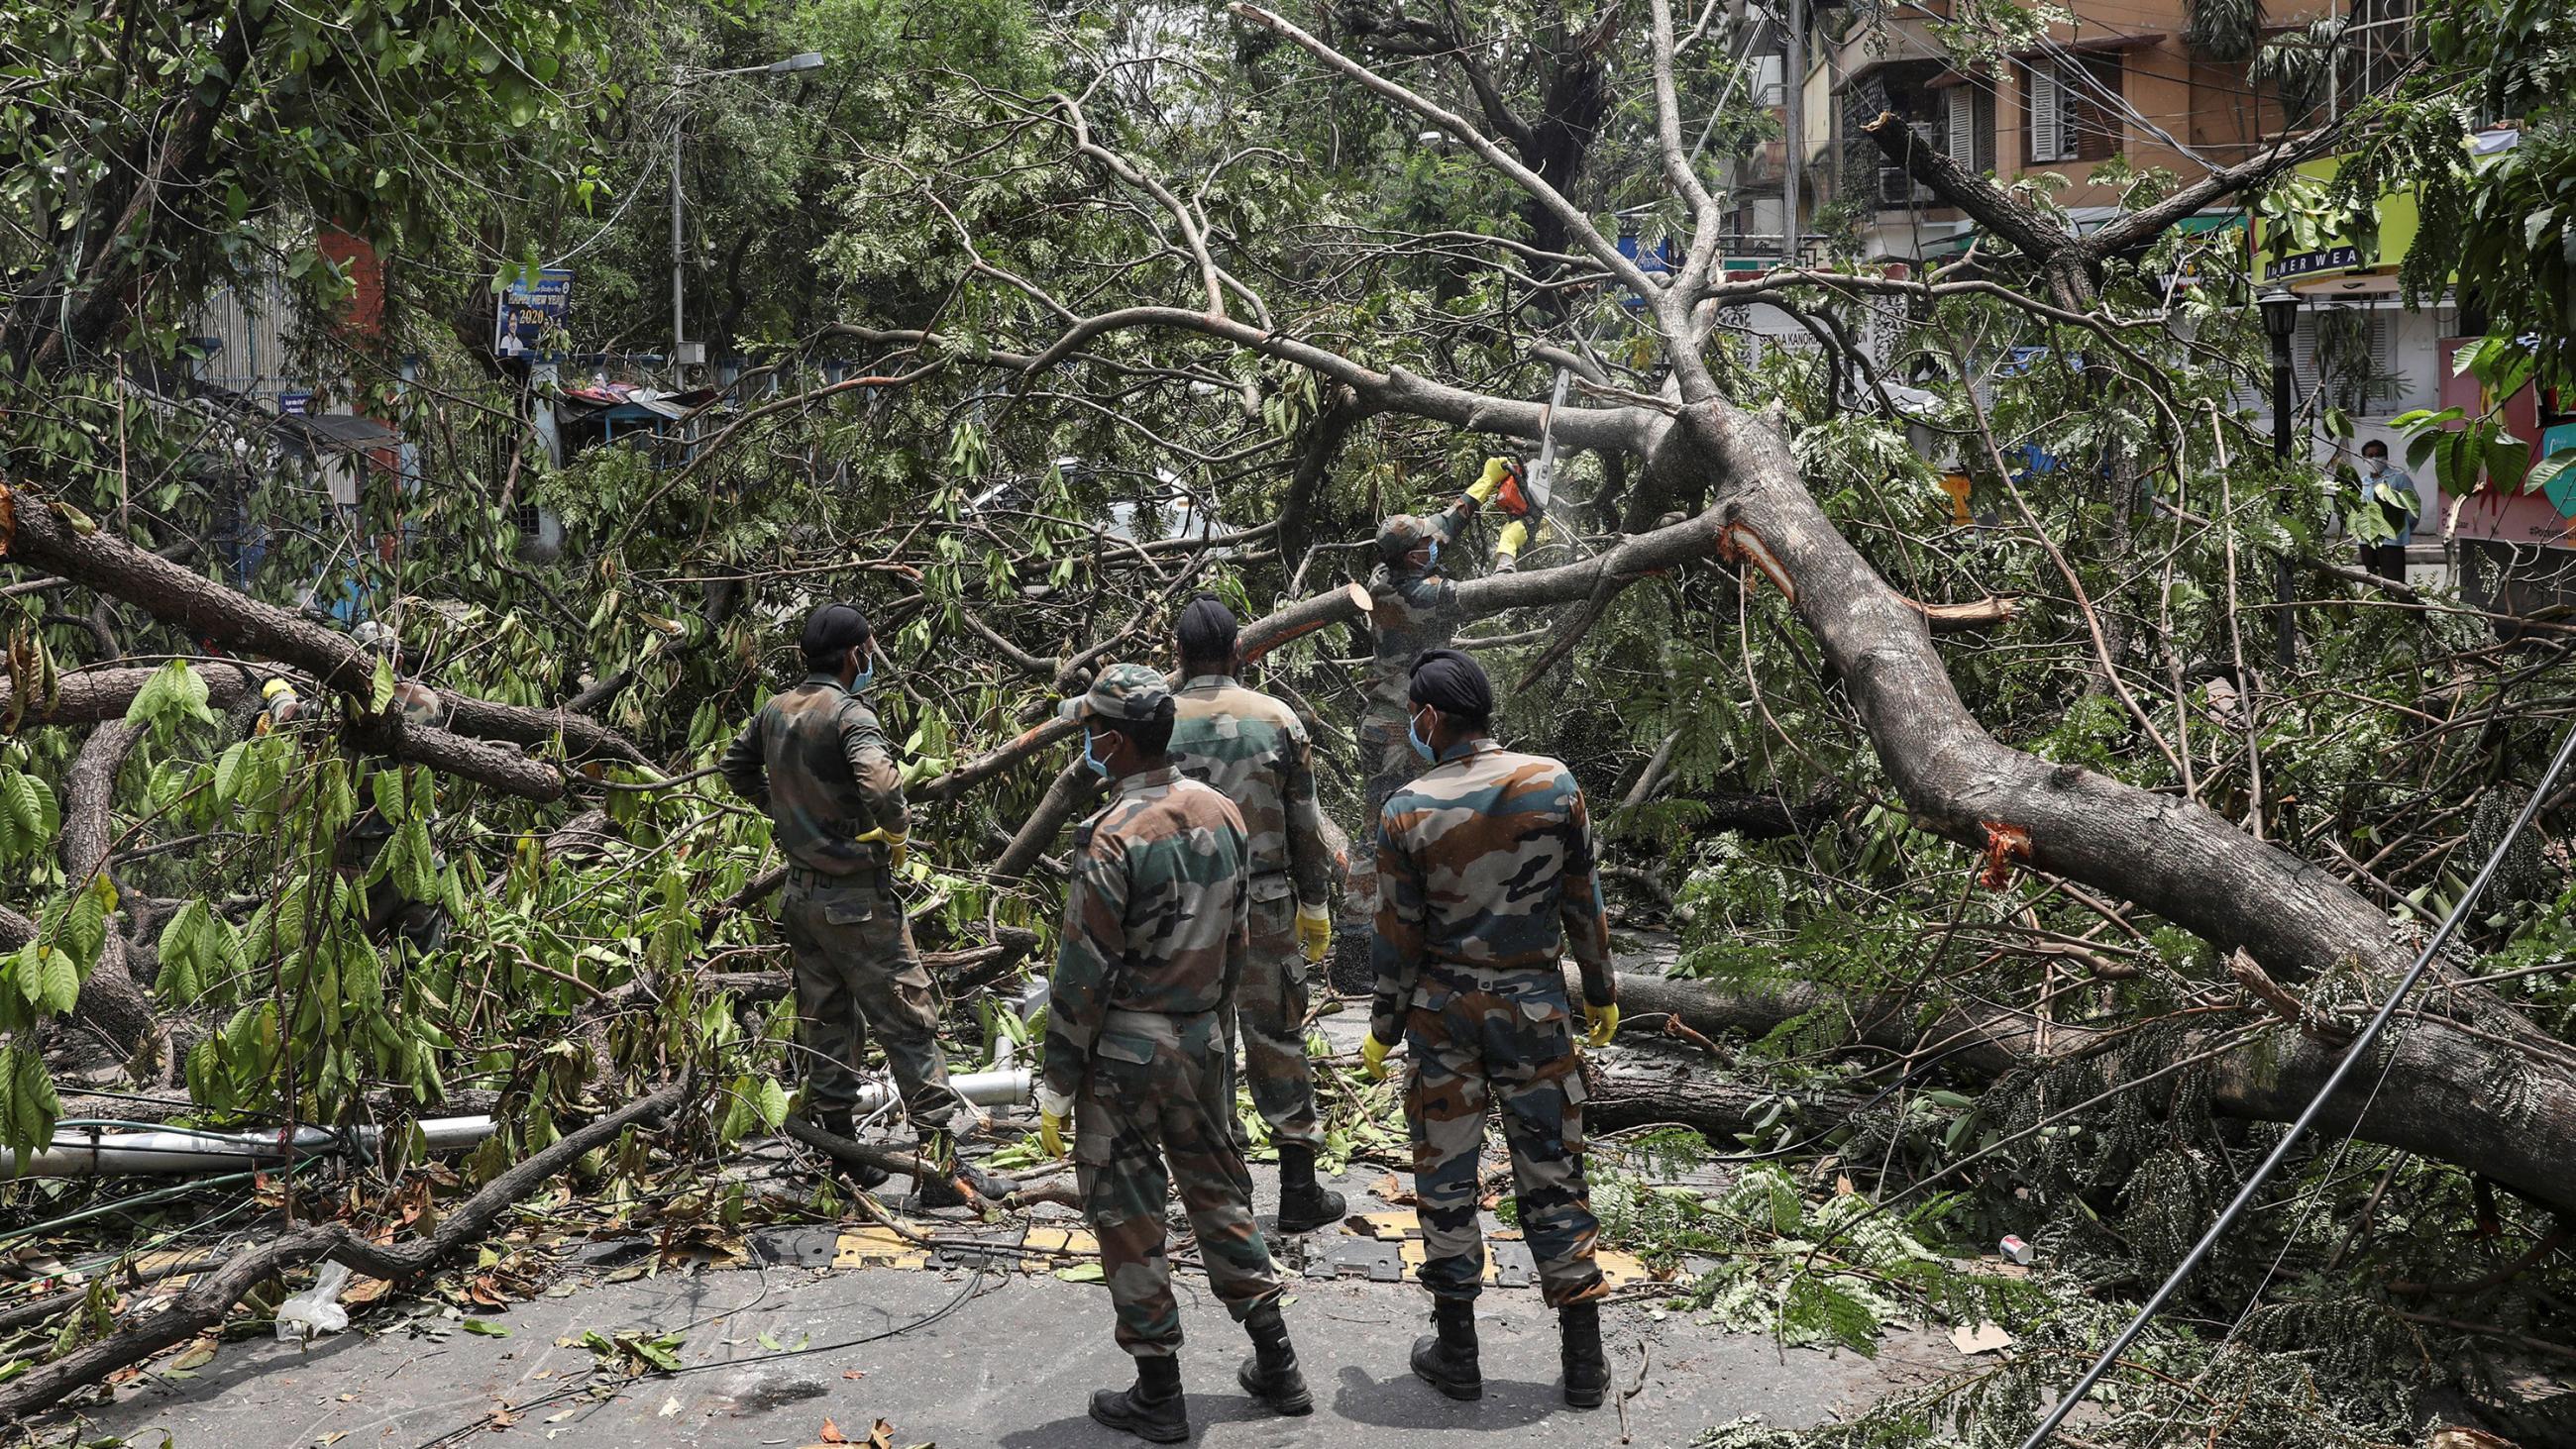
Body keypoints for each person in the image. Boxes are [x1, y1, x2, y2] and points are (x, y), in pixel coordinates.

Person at [1036, 664, 1310, 1442]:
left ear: (1115, 742)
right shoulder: (1222, 811)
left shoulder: (1114, 833)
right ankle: (1279, 1363)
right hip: (1201, 1037)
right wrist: (1215, 1022)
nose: (1087, 741)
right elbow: (1241, 935)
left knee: (1128, 1214)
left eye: (1091, 730)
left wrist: (1057, 1082)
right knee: (1219, 1193)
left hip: (1124, 1050)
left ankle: (1159, 1391)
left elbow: (1084, 969)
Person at [1361, 648, 1620, 1409]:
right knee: (1553, 1171)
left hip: (1442, 1018)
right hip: (1536, 1008)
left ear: (1432, 718)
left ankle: (1458, 1350)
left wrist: (1382, 1026)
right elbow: (1584, 900)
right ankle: (1582, 1360)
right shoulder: (1554, 782)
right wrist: (1599, 991)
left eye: (1416, 715)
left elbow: (1397, 938)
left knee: (1446, 1178)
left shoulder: (1406, 808)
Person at [719, 602, 987, 1206]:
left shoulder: (774, 710)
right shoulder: (848, 713)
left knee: (827, 1026)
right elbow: (883, 786)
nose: (870, 658)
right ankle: (943, 1170)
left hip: (802, 899)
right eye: (868, 649)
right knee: (909, 1022)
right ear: (852, 655)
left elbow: (735, 770)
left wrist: (787, 815)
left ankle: (835, 1162)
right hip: (857, 904)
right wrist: (893, 834)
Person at [1164, 595, 1345, 1232]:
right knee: (1277, 1036)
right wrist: (1316, 904)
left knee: (1199, 1040)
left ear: (1178, 653)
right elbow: (1305, 826)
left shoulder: (1153, 720)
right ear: (1241, 652)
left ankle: (1219, 1194)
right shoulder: (1277, 718)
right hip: (1264, 902)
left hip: (1180, 907)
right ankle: (1298, 1190)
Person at [1357, 457, 1513, 827]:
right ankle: (1364, 888)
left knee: (1421, 825)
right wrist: (1508, 550)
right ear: (1413, 557)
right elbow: (1488, 595)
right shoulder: (1415, 595)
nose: (1434, 544)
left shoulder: (1390, 565)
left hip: (1402, 716)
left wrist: (1487, 479)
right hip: (1399, 727)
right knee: (1390, 828)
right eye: (1425, 544)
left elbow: (1446, 524)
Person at [2355, 439, 2422, 581]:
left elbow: (2413, 509)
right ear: (2364, 459)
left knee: (2394, 580)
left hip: (2391, 540)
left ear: (2385, 457)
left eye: (2378, 454)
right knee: (2372, 579)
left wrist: (2401, 529)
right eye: (2370, 455)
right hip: (2366, 540)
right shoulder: (2362, 482)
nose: (2374, 458)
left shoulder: (2398, 478)